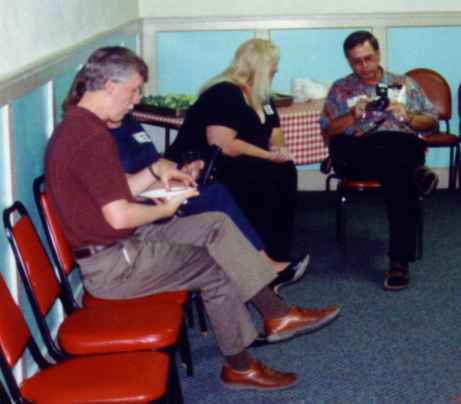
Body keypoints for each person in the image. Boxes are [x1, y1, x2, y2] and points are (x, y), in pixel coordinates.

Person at [45, 46, 340, 391]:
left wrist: (156, 170)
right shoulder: (87, 138)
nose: (135, 100)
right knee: (216, 269)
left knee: (215, 222)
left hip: (125, 245)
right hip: (114, 264)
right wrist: (165, 209)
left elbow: (120, 186)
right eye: (133, 90)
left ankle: (276, 314)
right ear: (110, 85)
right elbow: (120, 215)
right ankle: (239, 366)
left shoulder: (83, 128)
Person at [107, 113, 309, 295]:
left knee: (216, 194)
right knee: (214, 198)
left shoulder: (128, 121)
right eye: (132, 92)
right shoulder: (99, 134)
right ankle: (265, 267)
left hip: (159, 190)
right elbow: (118, 184)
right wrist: (158, 183)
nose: (135, 99)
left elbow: (157, 162)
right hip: (142, 206)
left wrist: (182, 171)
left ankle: (262, 269)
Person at [320, 30, 439, 291]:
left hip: (399, 148)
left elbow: (432, 121)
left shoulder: (404, 83)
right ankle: (418, 175)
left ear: (378, 54)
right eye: (356, 62)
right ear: (348, 62)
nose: (364, 67)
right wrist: (352, 116)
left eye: (368, 59)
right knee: (401, 166)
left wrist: (407, 117)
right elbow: (328, 131)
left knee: (398, 156)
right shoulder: (341, 88)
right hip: (358, 151)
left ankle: (398, 261)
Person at [165, 38, 298, 263]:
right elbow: (223, 144)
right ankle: (261, 254)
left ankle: (275, 250)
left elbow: (275, 130)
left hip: (240, 159)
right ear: (259, 67)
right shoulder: (224, 93)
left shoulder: (262, 95)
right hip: (204, 163)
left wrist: (280, 149)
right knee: (267, 174)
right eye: (274, 63)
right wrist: (269, 156)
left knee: (284, 170)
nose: (277, 68)